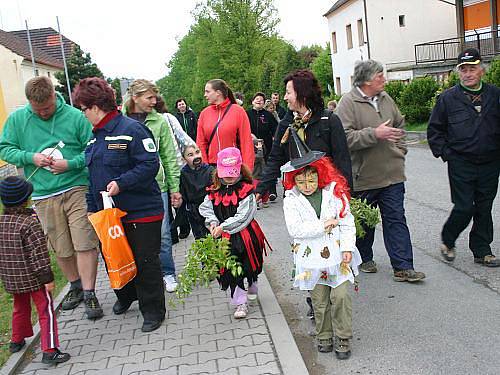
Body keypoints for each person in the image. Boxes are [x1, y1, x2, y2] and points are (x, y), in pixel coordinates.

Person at [0, 76, 102, 319]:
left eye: (47, 108)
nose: (44, 113)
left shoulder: (75, 117)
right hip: (44, 194)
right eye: (38, 110)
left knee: (84, 240)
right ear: (30, 104)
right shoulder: (18, 120)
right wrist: (30, 157)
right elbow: (5, 148)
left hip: (76, 186)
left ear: (53, 97)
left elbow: (92, 148)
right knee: (61, 246)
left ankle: (89, 293)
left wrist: (71, 164)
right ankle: (75, 286)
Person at [73, 77, 166, 332]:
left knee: (145, 260)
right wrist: (92, 207)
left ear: (95, 106)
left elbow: (150, 164)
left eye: (83, 109)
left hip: (141, 210)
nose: (83, 115)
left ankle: (153, 310)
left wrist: (121, 183)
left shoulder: (132, 129)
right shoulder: (94, 139)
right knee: (115, 257)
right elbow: (92, 177)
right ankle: (127, 296)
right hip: (110, 215)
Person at [336, 60, 425, 282]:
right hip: (364, 177)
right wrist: (374, 134)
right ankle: (364, 257)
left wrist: (400, 150)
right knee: (365, 222)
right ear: (366, 80)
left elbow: (400, 124)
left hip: (392, 175)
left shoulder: (386, 99)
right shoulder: (347, 103)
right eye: (379, 76)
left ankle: (403, 267)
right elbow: (343, 139)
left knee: (396, 218)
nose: (384, 79)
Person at [281, 132, 361, 359]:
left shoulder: (334, 192)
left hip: (337, 256)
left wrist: (347, 248)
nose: (307, 186)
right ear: (293, 179)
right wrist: (324, 225)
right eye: (301, 181)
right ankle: (324, 335)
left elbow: (346, 222)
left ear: (320, 173)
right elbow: (295, 230)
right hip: (311, 259)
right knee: (320, 300)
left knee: (341, 296)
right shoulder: (291, 200)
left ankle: (343, 337)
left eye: (311, 180)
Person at [427, 48, 500, 267]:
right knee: (465, 206)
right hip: (461, 163)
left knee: (484, 207)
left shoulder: (495, 95)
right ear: (458, 72)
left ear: (481, 70)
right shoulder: (448, 99)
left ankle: (482, 250)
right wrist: (447, 154)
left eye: (472, 69)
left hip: (490, 162)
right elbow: (434, 132)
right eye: (463, 69)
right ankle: (448, 240)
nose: (468, 73)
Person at [0, 176, 71, 364]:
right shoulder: (29, 224)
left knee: (19, 307)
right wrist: (47, 278)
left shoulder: (2, 222)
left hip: (12, 279)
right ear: (25, 199)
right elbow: (38, 255)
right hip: (34, 279)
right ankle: (49, 350)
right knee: (46, 311)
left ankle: (16, 340)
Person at [256, 69, 353, 201]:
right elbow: (275, 159)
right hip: (297, 198)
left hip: (328, 195)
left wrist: (347, 197)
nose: (284, 97)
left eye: (288, 93)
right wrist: (260, 189)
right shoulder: (286, 125)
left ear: (303, 94)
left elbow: (342, 161)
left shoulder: (329, 121)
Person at [123, 80, 181, 293]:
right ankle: (139, 278)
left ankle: (168, 273)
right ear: (135, 98)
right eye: (149, 98)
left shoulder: (159, 121)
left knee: (163, 233)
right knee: (133, 236)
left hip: (157, 185)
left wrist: (174, 187)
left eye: (155, 97)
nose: (154, 101)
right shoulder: (120, 119)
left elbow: (168, 155)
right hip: (127, 187)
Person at [199, 147, 269, 319]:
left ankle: (253, 282)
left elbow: (244, 215)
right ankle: (240, 302)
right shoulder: (213, 191)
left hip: (245, 235)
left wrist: (224, 226)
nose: (229, 176)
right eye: (225, 173)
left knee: (249, 264)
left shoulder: (246, 191)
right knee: (231, 269)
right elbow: (206, 209)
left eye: (233, 172)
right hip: (224, 239)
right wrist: (213, 223)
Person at [155, 95, 191, 247]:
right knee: (167, 202)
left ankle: (182, 227)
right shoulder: (146, 122)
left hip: (176, 164)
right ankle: (173, 232)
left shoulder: (167, 118)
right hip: (160, 169)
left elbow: (182, 137)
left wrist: (193, 153)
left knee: (177, 198)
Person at [196, 79, 255, 171]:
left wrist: (247, 169)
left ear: (218, 93)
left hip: (233, 165)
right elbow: (200, 143)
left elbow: (246, 142)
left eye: (207, 91)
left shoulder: (238, 111)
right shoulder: (204, 114)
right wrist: (205, 168)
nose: (205, 95)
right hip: (212, 167)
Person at [179, 142, 215, 239]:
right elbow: (183, 193)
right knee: (200, 238)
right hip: (194, 211)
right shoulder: (183, 174)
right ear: (184, 159)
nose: (196, 156)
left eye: (197, 152)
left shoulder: (210, 170)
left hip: (210, 209)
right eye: (190, 155)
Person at [246, 92, 278, 161]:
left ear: (263, 103)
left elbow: (275, 129)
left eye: (261, 100)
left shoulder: (268, 115)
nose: (258, 101)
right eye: (257, 99)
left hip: (266, 147)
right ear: (252, 102)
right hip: (250, 146)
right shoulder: (246, 114)